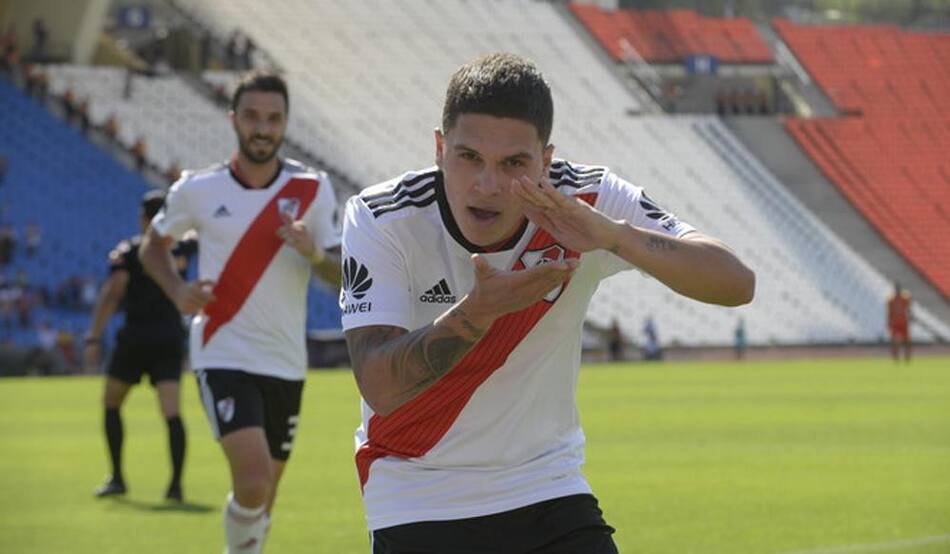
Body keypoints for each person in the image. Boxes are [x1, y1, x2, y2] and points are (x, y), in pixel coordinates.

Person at [340, 53, 755, 553]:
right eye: (469, 157)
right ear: (439, 147)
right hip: (418, 490)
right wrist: (477, 312)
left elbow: (736, 282)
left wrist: (617, 237)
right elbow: (379, 386)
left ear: (547, 161)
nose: (488, 184)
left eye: (514, 163)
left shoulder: (587, 201)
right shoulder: (383, 218)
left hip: (546, 484)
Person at [139, 71, 342, 554]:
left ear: (286, 124)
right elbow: (153, 246)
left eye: (273, 118)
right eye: (252, 116)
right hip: (222, 348)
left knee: (264, 499)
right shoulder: (198, 189)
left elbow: (340, 274)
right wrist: (176, 290)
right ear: (233, 119)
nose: (262, 128)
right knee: (252, 482)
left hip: (286, 361)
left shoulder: (314, 189)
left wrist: (314, 253)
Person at [84, 190, 196, 500]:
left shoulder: (132, 251)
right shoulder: (185, 246)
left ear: (145, 218)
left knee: (111, 402)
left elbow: (113, 292)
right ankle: (175, 486)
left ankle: (117, 477)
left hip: (136, 338)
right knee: (171, 411)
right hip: (170, 337)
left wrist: (94, 335)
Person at [887, 282, 912, 362]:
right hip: (895, 322)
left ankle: (907, 356)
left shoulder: (905, 299)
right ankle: (896, 356)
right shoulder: (891, 300)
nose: (897, 291)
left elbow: (908, 310)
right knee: (895, 340)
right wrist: (888, 321)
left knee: (906, 340)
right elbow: (889, 312)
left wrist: (910, 317)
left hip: (903, 322)